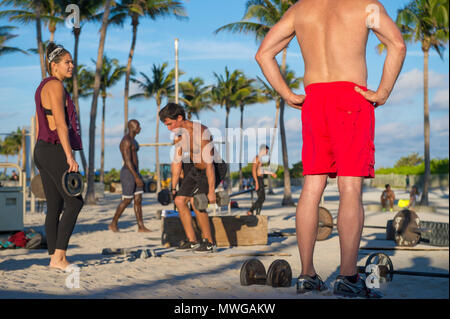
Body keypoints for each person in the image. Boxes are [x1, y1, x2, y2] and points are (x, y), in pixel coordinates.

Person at [255, 0, 406, 298]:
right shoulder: (365, 5)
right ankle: (348, 276)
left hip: (314, 100)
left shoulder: (301, 9)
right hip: (351, 98)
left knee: (312, 187)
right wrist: (383, 91)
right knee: (350, 188)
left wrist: (286, 93)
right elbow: (397, 45)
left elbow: (263, 54)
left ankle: (307, 275)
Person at [33, 42, 84, 271]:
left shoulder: (43, 86)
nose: (72, 65)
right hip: (54, 148)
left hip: (42, 149)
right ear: (54, 66)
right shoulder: (55, 86)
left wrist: (39, 155)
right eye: (67, 62)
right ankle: (59, 257)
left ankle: (54, 257)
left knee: (54, 205)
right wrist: (69, 156)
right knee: (74, 202)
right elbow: (61, 126)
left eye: (72, 61)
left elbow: (37, 121)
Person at [160, 103, 228, 253]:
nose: (169, 128)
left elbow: (210, 165)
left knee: (197, 201)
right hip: (196, 168)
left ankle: (209, 242)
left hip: (214, 167)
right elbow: (177, 162)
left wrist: (211, 191)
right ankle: (192, 241)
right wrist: (173, 187)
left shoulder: (200, 132)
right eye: (166, 126)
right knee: (179, 200)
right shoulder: (179, 137)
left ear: (179, 118)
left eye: (170, 124)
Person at [109, 120, 150, 233]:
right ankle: (113, 223)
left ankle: (141, 227)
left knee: (138, 199)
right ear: (132, 127)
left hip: (136, 171)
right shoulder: (126, 141)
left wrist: (137, 174)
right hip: (128, 173)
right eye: (138, 126)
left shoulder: (135, 141)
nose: (140, 128)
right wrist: (136, 177)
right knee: (127, 200)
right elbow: (127, 160)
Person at [247, 145, 277, 216]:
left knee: (262, 198)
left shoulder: (260, 159)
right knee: (262, 198)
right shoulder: (256, 158)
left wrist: (271, 173)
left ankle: (258, 214)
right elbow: (253, 170)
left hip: (260, 179)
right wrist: (256, 182)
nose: (267, 153)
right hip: (257, 179)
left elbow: (261, 170)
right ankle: (250, 211)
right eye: (266, 151)